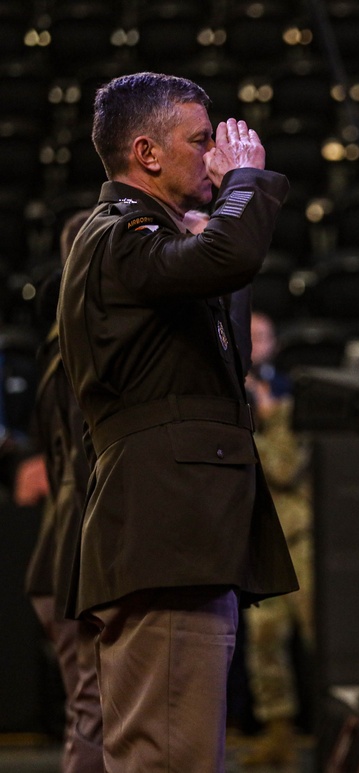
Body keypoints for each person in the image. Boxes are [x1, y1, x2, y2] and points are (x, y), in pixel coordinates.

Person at [57, 72, 298, 772]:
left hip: (180, 535)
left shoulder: (148, 240)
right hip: (166, 530)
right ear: (147, 153)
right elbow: (229, 256)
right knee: (168, 756)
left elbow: (226, 346)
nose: (218, 151)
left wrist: (219, 217)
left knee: (178, 749)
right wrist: (244, 187)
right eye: (200, 139)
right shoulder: (120, 233)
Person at [23, 209, 104, 773]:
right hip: (77, 560)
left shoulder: (56, 342)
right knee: (95, 712)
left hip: (61, 558)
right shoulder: (86, 341)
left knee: (90, 713)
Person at [240, 310, 315, 767]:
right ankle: (278, 733)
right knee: (263, 641)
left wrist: (265, 421)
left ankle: (334, 728)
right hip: (256, 536)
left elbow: (285, 468)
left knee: (315, 634)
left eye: (262, 334)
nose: (253, 341)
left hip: (299, 536)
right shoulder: (224, 391)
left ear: (275, 344)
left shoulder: (290, 398)